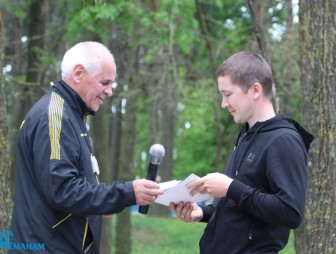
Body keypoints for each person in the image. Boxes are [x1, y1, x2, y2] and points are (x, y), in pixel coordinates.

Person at [10, 41, 163, 253]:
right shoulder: (54, 117)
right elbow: (62, 190)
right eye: (105, 82)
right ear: (78, 73)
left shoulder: (72, 115)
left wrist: (102, 203)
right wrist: (127, 193)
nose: (110, 91)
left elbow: (71, 185)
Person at [170, 52, 314, 253]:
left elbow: (291, 213)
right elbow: (241, 209)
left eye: (228, 94)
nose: (223, 103)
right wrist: (201, 213)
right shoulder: (246, 135)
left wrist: (230, 188)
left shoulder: (283, 141)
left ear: (255, 90)